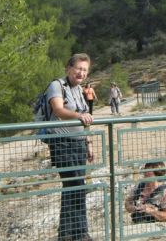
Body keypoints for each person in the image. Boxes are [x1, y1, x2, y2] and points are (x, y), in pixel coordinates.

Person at [46, 53, 95, 241]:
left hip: (79, 144)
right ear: (68, 68)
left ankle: (66, 235)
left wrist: (89, 143)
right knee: (76, 186)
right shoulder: (57, 86)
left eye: (85, 70)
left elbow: (85, 120)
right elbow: (58, 110)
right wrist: (78, 116)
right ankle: (81, 234)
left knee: (71, 187)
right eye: (78, 69)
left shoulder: (79, 90)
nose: (81, 73)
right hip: (61, 143)